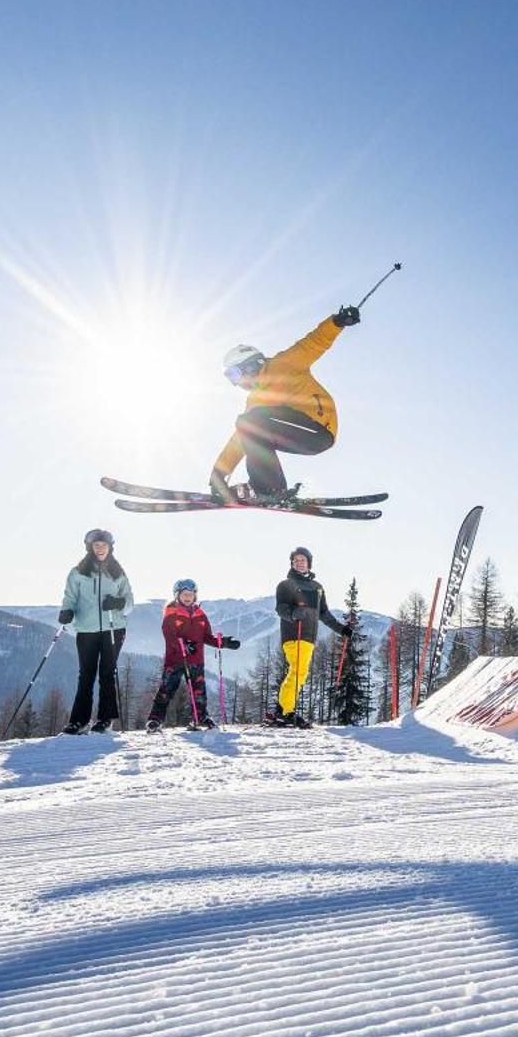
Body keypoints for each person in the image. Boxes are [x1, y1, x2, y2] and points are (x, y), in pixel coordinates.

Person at [209, 304, 363, 505]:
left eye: (235, 374)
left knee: (251, 420)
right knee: (248, 426)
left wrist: (337, 322)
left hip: (317, 428)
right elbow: (241, 438)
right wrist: (219, 473)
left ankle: (267, 488)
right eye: (230, 378)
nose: (235, 382)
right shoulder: (256, 400)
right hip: (299, 434)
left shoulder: (283, 365)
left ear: (251, 364)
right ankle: (265, 487)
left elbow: (313, 343)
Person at [57, 528, 135, 733]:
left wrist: (118, 603)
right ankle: (79, 721)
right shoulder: (78, 572)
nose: (100, 549)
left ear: (110, 548)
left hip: (113, 628)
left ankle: (105, 719)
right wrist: (67, 612)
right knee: (86, 675)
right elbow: (70, 598)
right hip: (86, 629)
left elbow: (129, 603)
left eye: (104, 545)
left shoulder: (118, 572)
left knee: (107, 673)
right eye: (96, 545)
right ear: (90, 548)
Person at [269, 545, 349, 729]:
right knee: (298, 671)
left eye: (303, 560)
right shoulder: (286, 585)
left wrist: (342, 629)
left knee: (299, 673)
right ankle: (285, 712)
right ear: (292, 563)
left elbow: (324, 614)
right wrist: (293, 614)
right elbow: (281, 609)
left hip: (308, 638)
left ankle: (282, 710)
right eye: (296, 560)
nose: (299, 563)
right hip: (293, 634)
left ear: (309, 563)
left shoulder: (317, 588)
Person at [145, 579, 240, 731]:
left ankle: (200, 717)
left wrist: (222, 643)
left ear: (195, 596)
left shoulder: (200, 614)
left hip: (196, 660)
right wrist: (183, 644)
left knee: (199, 691)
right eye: (184, 594)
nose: (188, 597)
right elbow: (169, 635)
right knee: (166, 690)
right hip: (175, 660)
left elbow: (206, 637)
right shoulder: (171, 612)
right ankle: (155, 719)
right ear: (177, 595)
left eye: (191, 594)